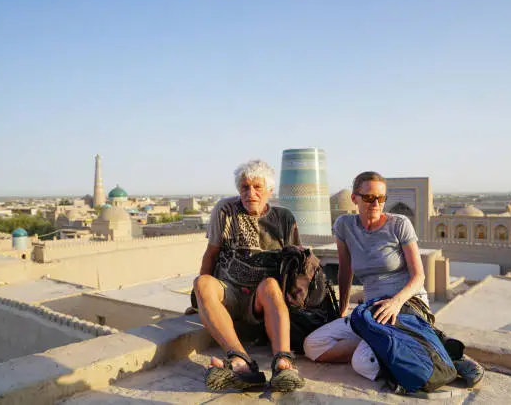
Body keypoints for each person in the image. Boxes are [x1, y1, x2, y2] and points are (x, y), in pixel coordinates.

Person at [303, 171, 484, 387]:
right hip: (372, 311)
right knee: (313, 345)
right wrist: (342, 309)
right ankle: (391, 346)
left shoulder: (399, 224)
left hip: (406, 303)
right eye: (369, 198)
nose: (376, 203)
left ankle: (447, 358)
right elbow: (345, 271)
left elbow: (419, 276)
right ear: (354, 199)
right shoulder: (344, 225)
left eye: (381, 198)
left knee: (363, 364)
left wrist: (395, 302)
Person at [193, 159, 305, 392]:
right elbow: (211, 253)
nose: (250, 193)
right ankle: (240, 361)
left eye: (257, 187)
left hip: (261, 300)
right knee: (201, 283)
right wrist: (199, 301)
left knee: (271, 285)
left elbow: (297, 263)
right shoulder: (225, 210)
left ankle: (282, 363)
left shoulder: (284, 218)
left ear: (269, 191)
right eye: (245, 187)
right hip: (229, 292)